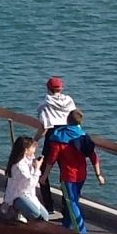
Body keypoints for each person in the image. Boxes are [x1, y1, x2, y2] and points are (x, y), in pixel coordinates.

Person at [44, 108, 105, 234]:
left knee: (71, 202)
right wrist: (98, 174)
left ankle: (81, 232)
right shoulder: (84, 136)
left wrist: (45, 175)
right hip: (82, 174)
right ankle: (66, 225)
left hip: (68, 175)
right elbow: (93, 156)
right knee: (73, 199)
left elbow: (52, 158)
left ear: (67, 120)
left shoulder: (59, 136)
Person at [37, 76, 79, 215]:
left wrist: (33, 141)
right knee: (65, 173)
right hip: (68, 139)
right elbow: (76, 119)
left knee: (42, 172)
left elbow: (44, 128)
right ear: (61, 89)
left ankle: (48, 206)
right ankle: (66, 207)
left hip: (52, 139)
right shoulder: (69, 101)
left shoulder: (44, 103)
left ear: (48, 89)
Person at [2, 136, 46, 223]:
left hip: (28, 194)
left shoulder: (29, 160)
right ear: (26, 150)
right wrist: (37, 168)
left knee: (45, 217)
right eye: (32, 147)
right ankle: (14, 209)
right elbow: (30, 183)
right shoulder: (19, 165)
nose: (34, 149)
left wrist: (34, 166)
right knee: (35, 214)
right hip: (18, 196)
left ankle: (23, 210)